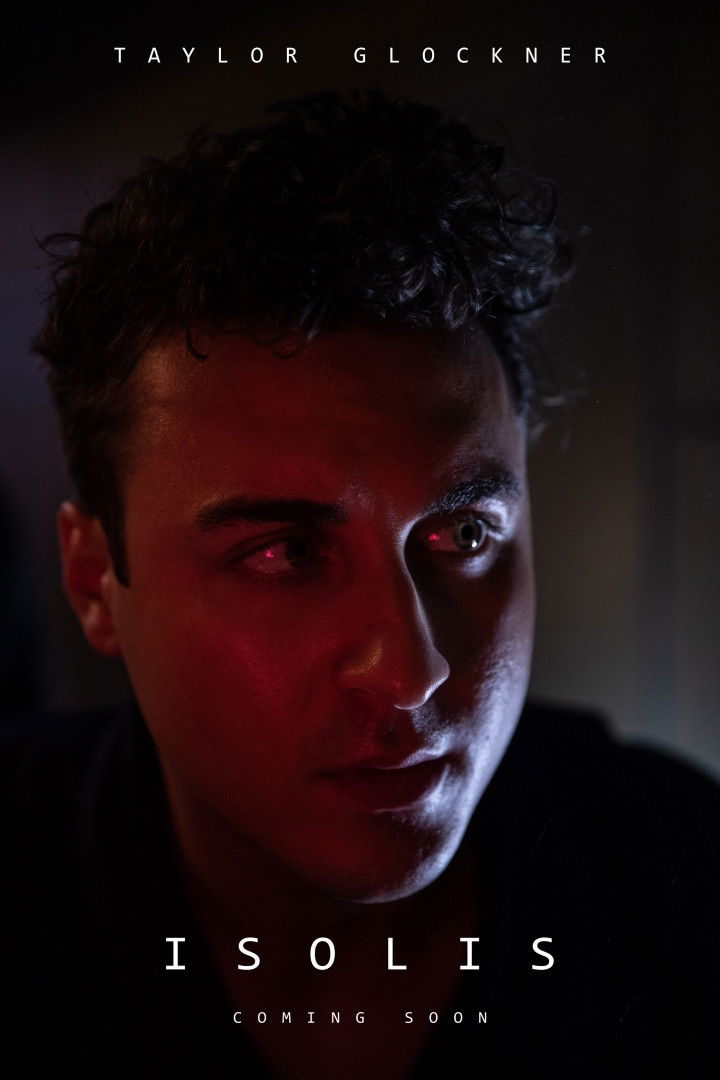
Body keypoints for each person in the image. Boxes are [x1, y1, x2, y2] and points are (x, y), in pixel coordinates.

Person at [2, 90, 718, 1075]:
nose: (411, 672)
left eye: (464, 532)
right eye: (285, 553)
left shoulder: (684, 888)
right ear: (93, 581)